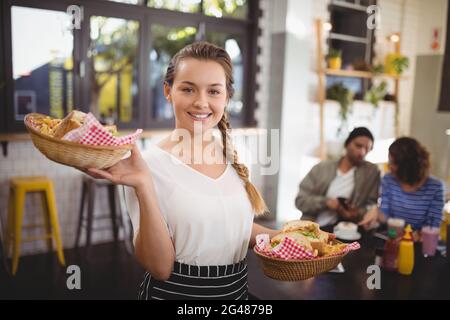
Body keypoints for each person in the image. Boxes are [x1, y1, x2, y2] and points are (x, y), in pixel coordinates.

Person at [84, 42, 280, 300]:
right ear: (168, 91)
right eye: (188, 89)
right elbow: (159, 267)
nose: (201, 102)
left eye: (213, 91)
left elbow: (231, 226)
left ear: (227, 97)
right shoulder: (148, 167)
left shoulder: (234, 155)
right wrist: (143, 185)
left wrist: (289, 235)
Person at [295, 127, 380, 227]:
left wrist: (355, 214)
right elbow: (300, 201)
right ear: (347, 144)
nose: (362, 152)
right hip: (310, 226)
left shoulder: (371, 172)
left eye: (367, 149)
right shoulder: (321, 168)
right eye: (358, 146)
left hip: (345, 230)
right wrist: (326, 202)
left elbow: (372, 205)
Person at [359, 137, 445, 231]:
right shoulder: (388, 180)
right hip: (392, 236)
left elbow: (433, 226)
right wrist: (375, 213)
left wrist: (411, 236)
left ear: (408, 165)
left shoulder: (435, 187)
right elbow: (385, 215)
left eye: (393, 163)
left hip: (419, 243)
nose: (389, 166)